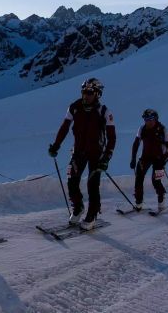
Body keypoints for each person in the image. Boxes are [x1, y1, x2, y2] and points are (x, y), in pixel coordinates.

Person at [48, 78, 116, 230]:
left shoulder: (104, 111)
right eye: (84, 92)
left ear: (97, 94)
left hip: (96, 154)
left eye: (89, 93)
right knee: (72, 181)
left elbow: (112, 138)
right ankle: (78, 208)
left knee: (92, 185)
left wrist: (106, 157)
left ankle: (91, 215)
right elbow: (65, 127)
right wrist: (56, 146)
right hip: (78, 151)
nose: (86, 96)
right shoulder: (74, 107)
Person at [131, 109, 168, 211]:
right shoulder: (142, 129)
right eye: (145, 119)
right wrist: (133, 158)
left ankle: (161, 200)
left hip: (159, 158)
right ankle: (138, 203)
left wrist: (163, 161)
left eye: (150, 119)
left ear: (155, 119)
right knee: (138, 178)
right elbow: (136, 144)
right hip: (145, 157)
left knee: (156, 181)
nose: (148, 121)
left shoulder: (163, 130)